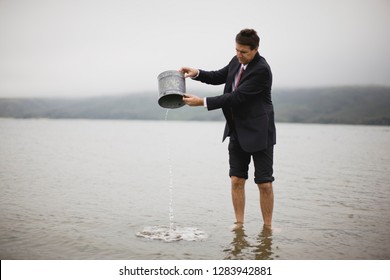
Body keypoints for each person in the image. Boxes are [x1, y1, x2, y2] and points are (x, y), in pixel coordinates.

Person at [180, 28, 276, 230]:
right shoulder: (236, 60)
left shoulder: (261, 70)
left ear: (256, 49)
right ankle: (239, 225)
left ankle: (267, 228)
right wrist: (196, 73)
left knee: (264, 183)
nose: (239, 55)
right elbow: (218, 76)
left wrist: (203, 102)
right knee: (236, 180)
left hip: (259, 131)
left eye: (244, 52)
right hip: (236, 129)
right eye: (237, 50)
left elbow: (237, 97)